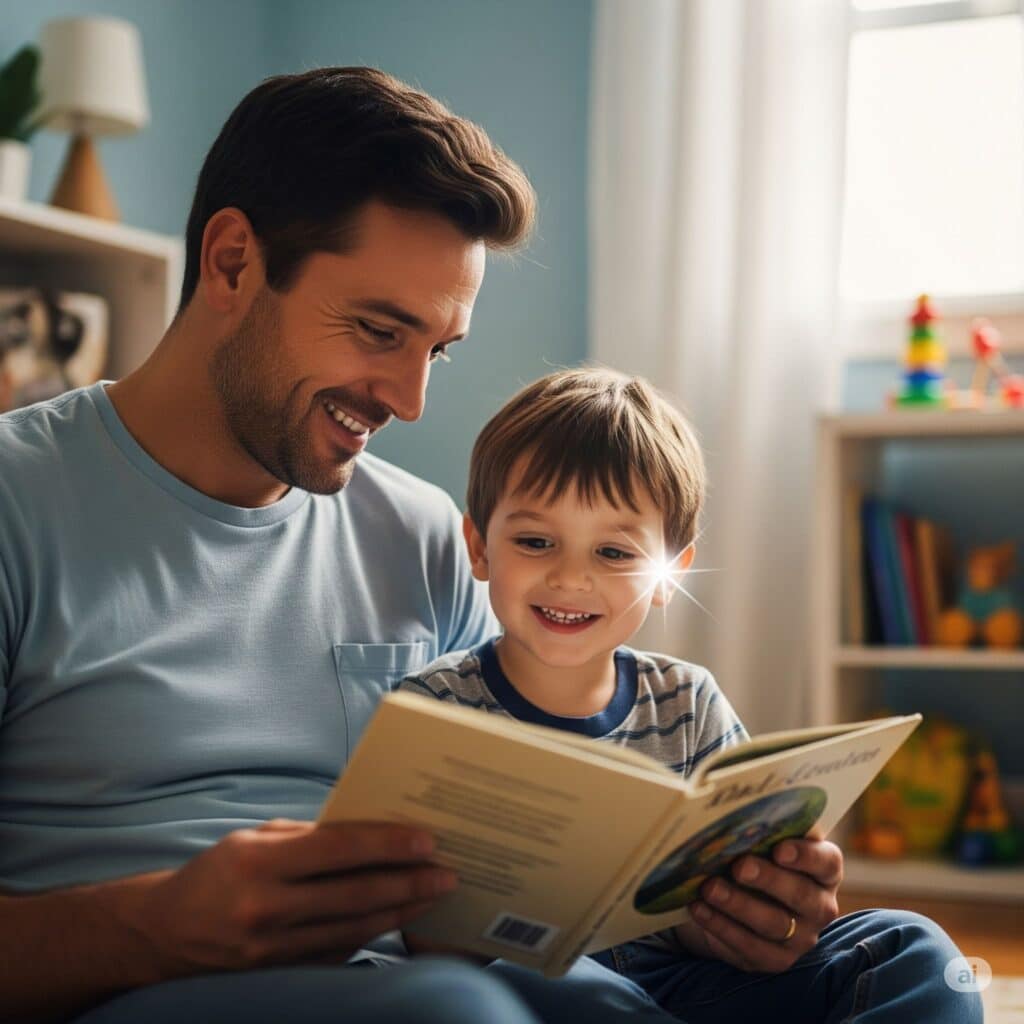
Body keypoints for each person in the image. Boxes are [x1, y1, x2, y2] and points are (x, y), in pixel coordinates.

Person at [0, 66, 681, 1024]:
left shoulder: (423, 537)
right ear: (233, 261)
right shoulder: (17, 503)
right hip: (141, 989)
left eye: (436, 351)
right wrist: (152, 925)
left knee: (886, 963)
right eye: (377, 330)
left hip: (421, 971)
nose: (409, 400)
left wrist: (712, 900)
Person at [398, 367, 983, 1024]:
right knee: (546, 982)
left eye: (615, 553)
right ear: (478, 546)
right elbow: (421, 941)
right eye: (535, 541)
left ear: (670, 575)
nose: (570, 576)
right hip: (536, 990)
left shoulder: (687, 700)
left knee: (915, 950)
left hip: (695, 981)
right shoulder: (433, 708)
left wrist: (752, 907)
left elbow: (723, 902)